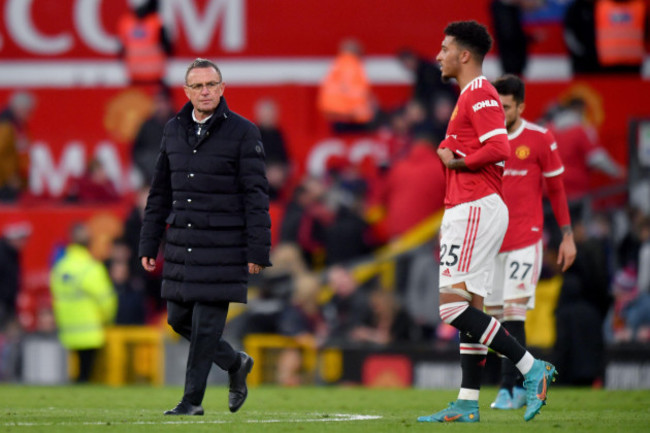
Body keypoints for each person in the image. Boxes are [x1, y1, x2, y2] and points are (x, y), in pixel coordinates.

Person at [417, 21, 557, 424]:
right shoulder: (469, 96)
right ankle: (466, 402)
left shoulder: (479, 92)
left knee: (450, 309)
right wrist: (449, 147)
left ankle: (532, 368)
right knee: (473, 306)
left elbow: (499, 147)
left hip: (474, 207)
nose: (438, 55)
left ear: (464, 55)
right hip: (473, 206)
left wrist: (457, 160)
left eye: (445, 48)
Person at [139, 58, 272, 415]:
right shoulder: (172, 129)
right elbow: (159, 193)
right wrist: (149, 242)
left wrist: (258, 250)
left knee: (204, 326)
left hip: (225, 248)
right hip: (184, 245)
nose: (205, 91)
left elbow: (256, 196)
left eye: (211, 84)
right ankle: (234, 364)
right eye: (197, 86)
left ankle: (191, 403)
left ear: (223, 88)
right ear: (186, 92)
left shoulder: (244, 132)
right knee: (178, 320)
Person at [484, 74, 577, 410]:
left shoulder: (539, 139)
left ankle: (509, 389)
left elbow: (557, 189)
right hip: (491, 243)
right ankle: (529, 377)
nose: (499, 111)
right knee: (493, 322)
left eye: (505, 106)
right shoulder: (483, 139)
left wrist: (567, 236)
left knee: (513, 313)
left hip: (526, 240)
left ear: (521, 107)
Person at [50, 223, 117, 383]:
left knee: (74, 371)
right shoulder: (91, 267)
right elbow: (106, 300)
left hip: (67, 328)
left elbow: (55, 294)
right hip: (90, 329)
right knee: (86, 374)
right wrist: (107, 319)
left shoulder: (60, 267)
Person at [318, 39, 374, 133]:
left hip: (333, 113)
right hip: (351, 116)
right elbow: (355, 91)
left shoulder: (336, 64)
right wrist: (362, 113)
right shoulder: (353, 65)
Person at [117, 0, 172, 87]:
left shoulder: (126, 22)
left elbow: (120, 50)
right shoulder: (156, 22)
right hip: (155, 75)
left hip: (134, 75)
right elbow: (169, 48)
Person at [132, 86, 175, 184]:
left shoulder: (180, 123)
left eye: (162, 102)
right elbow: (136, 152)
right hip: (150, 176)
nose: (159, 106)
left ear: (169, 103)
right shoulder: (147, 125)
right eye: (157, 102)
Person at [0, 91, 35, 202]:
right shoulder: (5, 126)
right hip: (5, 183)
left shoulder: (17, 125)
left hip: (15, 181)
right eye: (28, 111)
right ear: (19, 108)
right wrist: (9, 176)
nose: (29, 115)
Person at [0, 222, 31, 329]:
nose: (24, 243)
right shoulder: (3, 255)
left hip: (8, 304)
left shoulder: (13, 254)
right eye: (21, 239)